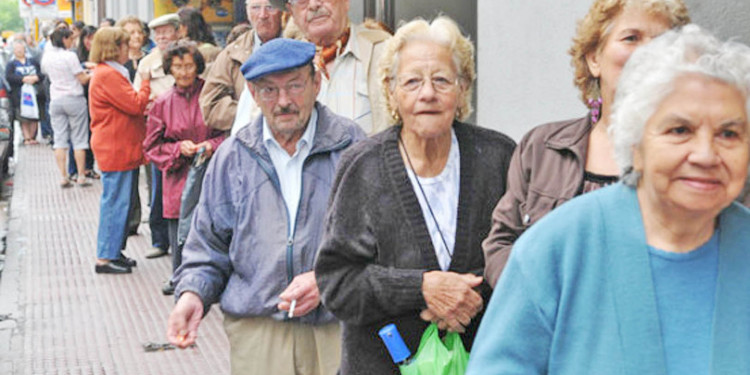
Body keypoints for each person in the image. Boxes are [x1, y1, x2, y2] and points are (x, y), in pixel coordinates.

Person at [468, 24, 750, 374]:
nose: (706, 155)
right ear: (636, 143)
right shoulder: (558, 248)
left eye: (729, 133)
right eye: (680, 130)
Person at [314, 16, 516, 374]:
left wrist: (468, 300)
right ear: (391, 91)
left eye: (441, 79)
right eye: (412, 81)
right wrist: (420, 288)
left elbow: (522, 264)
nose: (427, 93)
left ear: (463, 86)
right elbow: (337, 283)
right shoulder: (363, 167)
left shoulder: (498, 157)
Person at [167, 38, 365, 375]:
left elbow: (378, 241)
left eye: (294, 86)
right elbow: (207, 246)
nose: (284, 101)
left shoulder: (353, 147)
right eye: (269, 90)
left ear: (317, 83)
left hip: (337, 325)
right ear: (253, 95)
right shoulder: (232, 157)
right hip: (259, 331)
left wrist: (327, 279)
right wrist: (192, 294)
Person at [482, 0, 691, 287]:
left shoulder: (699, 158)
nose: (647, 53)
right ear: (594, 59)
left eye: (662, 42)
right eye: (631, 38)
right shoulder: (541, 148)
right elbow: (502, 243)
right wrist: (537, 302)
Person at [143, 40, 226, 295]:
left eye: (189, 66)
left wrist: (211, 145)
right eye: (178, 67)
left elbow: (228, 132)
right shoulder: (163, 103)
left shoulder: (211, 95)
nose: (184, 72)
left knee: (214, 229)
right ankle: (180, 277)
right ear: (170, 68)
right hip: (178, 176)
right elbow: (151, 146)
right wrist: (178, 149)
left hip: (212, 173)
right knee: (180, 231)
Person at [271, 0, 391, 134]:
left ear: (346, 2)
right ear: (292, 12)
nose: (313, 5)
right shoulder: (276, 67)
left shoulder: (385, 53)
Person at [89, 27, 151, 274]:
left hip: (118, 144)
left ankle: (114, 251)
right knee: (115, 202)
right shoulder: (108, 75)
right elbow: (135, 104)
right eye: (125, 45)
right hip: (116, 146)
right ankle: (105, 256)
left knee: (120, 201)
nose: (129, 48)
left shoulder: (108, 72)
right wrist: (145, 83)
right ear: (114, 48)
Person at [135, 13, 182, 260]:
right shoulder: (146, 63)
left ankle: (185, 240)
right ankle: (160, 239)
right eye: (158, 33)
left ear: (178, 31)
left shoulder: (187, 56)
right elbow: (137, 97)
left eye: (166, 31)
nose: (162, 37)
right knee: (157, 188)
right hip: (158, 131)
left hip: (187, 130)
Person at [199, 0, 283, 132]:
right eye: (255, 8)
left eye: (270, 7)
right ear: (247, 12)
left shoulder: (302, 45)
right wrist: (253, 114)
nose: (263, 15)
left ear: (283, 10)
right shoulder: (232, 53)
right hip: (248, 143)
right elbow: (211, 105)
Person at [41, 28, 92, 188]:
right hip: (74, 99)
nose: (73, 41)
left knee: (60, 140)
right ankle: (81, 175)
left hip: (56, 99)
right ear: (64, 39)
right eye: (71, 38)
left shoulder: (47, 57)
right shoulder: (70, 56)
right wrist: (94, 73)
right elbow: (82, 79)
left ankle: (63, 176)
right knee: (79, 139)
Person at [67, 25, 99, 182]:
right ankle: (73, 169)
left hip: (96, 99)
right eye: (87, 38)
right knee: (78, 135)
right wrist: (85, 66)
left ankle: (89, 167)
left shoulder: (100, 55)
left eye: (93, 38)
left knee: (92, 134)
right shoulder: (75, 56)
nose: (90, 42)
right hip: (80, 98)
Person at [5, 38, 43, 145]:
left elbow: (41, 74)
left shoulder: (33, 61)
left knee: (35, 116)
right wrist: (23, 79)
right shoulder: (11, 64)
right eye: (16, 49)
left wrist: (35, 78)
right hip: (20, 94)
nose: (19, 51)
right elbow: (9, 77)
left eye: (21, 49)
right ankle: (26, 137)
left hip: (35, 93)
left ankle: (33, 136)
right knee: (23, 117)